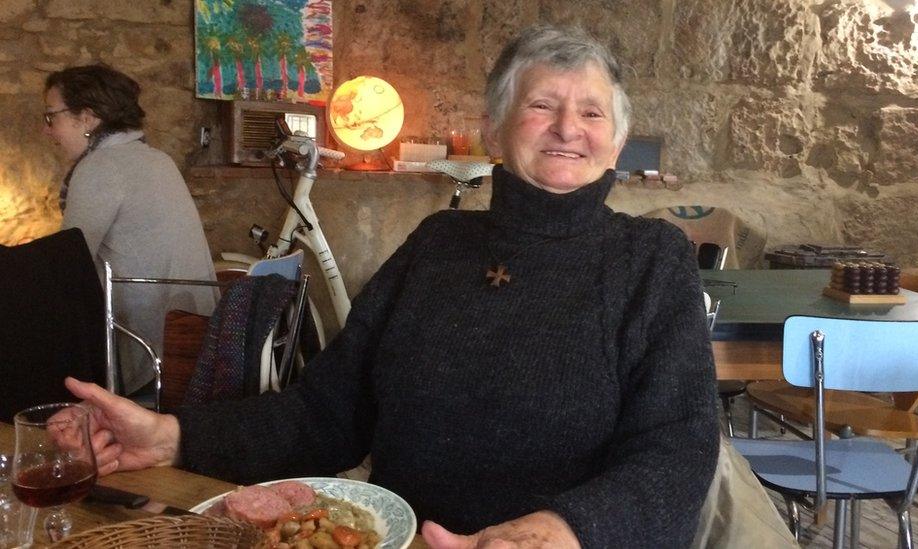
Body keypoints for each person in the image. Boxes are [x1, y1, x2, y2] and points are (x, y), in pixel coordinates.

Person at [66, 26, 719, 547]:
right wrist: (175, 436)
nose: (567, 128)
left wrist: (561, 530)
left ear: (618, 140)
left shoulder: (652, 260)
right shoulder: (437, 244)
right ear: (493, 127)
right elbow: (327, 410)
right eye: (541, 104)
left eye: (591, 112)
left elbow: (677, 448)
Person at [44, 64, 218, 394]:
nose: (47, 130)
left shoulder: (102, 167)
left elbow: (65, 266)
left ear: (87, 118)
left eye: (51, 117)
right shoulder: (155, 158)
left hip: (156, 356)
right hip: (197, 342)